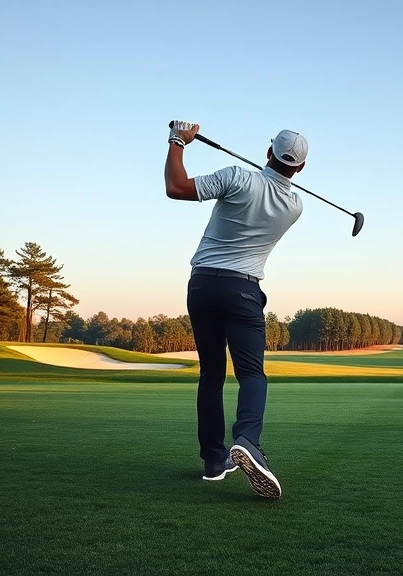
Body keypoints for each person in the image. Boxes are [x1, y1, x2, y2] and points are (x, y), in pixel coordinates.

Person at [163, 120, 307, 499]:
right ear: (301, 168)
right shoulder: (295, 206)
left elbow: (176, 188)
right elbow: (276, 182)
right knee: (251, 375)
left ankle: (214, 461)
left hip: (203, 285)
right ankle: (247, 441)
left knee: (211, 373)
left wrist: (179, 140)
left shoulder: (237, 178)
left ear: (267, 151)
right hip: (243, 291)